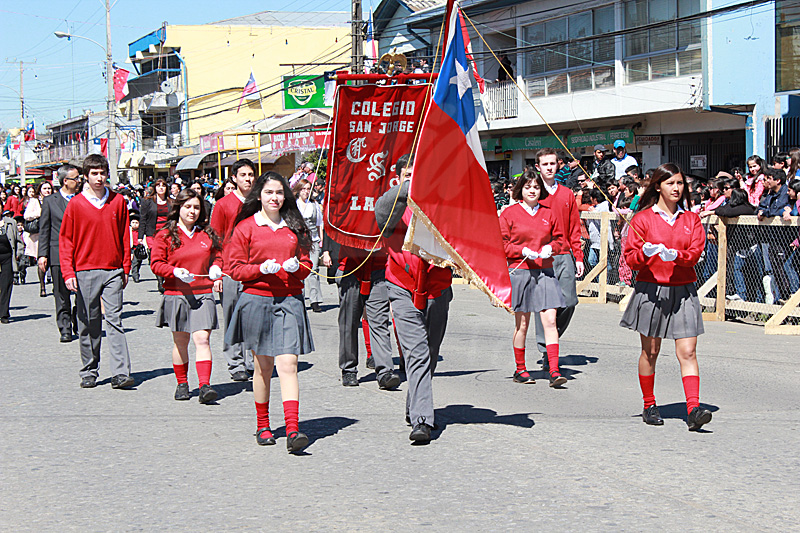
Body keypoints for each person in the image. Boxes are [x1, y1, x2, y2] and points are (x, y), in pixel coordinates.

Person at [619, 163, 712, 431]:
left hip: (683, 289)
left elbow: (695, 253)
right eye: (670, 183)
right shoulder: (642, 219)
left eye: (680, 183)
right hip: (651, 289)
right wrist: (645, 253)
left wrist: (678, 256)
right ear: (658, 186)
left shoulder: (691, 219)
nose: (676, 188)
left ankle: (693, 409)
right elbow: (631, 259)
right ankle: (649, 404)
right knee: (651, 351)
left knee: (688, 351)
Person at [226, 172, 314, 453]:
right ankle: (263, 424)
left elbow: (306, 263)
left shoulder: (295, 226)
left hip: (289, 299)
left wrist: (297, 267)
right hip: (257, 300)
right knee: (263, 367)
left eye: (279, 192)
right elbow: (234, 268)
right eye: (269, 192)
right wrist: (259, 269)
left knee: (288, 364)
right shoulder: (246, 227)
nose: (274, 198)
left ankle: (293, 429)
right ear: (259, 196)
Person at [375, 153, 453, 444]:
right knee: (417, 352)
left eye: (419, 175)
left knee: (430, 352)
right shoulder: (392, 204)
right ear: (398, 179)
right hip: (402, 285)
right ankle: (422, 419)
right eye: (408, 176)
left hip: (437, 287)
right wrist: (411, 186)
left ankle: (415, 403)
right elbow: (381, 214)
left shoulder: (444, 203)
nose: (414, 181)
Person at [60, 154, 134, 390]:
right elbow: (66, 241)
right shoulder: (76, 204)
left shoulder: (118, 201)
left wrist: (126, 267)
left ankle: (121, 372)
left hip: (113, 269)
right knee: (89, 322)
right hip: (85, 269)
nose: (99, 178)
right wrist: (68, 272)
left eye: (102, 173)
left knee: (115, 320)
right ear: (86, 176)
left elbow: (124, 236)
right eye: (94, 173)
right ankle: (89, 369)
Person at [151, 189, 223, 404]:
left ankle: (204, 385)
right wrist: (173, 271)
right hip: (177, 293)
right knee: (181, 341)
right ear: (178, 208)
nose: (192, 211)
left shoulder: (206, 234)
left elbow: (218, 256)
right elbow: (156, 263)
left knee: (203, 339)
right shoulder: (165, 234)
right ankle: (182, 383)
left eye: (197, 207)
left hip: (203, 293)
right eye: (188, 207)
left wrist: (216, 268)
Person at [499, 169, 568, 387]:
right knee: (522, 324)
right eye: (528, 187)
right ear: (520, 189)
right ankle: (520, 369)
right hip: (520, 271)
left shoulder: (549, 213)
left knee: (550, 320)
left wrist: (551, 248)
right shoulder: (509, 214)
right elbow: (502, 244)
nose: (532, 191)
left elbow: (561, 240)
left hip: (545, 270)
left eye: (536, 187)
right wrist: (521, 251)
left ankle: (554, 370)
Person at [535, 148, 584, 373]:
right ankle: (547, 349)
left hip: (564, 254)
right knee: (545, 305)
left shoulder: (567, 194)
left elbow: (574, 227)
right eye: (545, 164)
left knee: (570, 301)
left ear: (558, 165)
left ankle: (552, 335)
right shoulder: (533, 192)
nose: (549, 168)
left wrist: (578, 257)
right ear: (538, 167)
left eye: (552, 163)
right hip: (540, 256)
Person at [209, 159, 255, 382]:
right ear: (234, 178)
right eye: (243, 175)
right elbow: (215, 238)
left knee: (253, 316)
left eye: (251, 175)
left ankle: (251, 359)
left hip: (254, 267)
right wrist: (217, 268)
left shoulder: (259, 202)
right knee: (232, 316)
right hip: (229, 269)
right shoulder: (223, 205)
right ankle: (235, 361)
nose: (248, 179)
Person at [39, 164, 81, 342]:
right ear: (65, 181)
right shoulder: (51, 201)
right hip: (57, 252)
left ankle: (78, 320)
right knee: (61, 293)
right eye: (75, 178)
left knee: (82, 292)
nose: (79, 181)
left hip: (81, 253)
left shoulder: (82, 199)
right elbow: (44, 229)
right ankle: (65, 328)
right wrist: (43, 254)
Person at [292, 179, 323, 313]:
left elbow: (319, 224)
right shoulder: (294, 205)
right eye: (303, 189)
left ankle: (315, 300)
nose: (306, 191)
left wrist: (321, 241)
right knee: (300, 269)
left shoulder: (314, 205)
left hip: (313, 240)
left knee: (313, 270)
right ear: (298, 190)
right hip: (299, 241)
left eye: (308, 189)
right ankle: (300, 297)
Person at [23, 182, 51, 297]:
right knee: (41, 260)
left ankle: (55, 284)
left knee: (52, 260)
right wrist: (39, 213)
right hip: (39, 235)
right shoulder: (35, 201)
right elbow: (26, 216)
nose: (47, 190)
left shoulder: (54, 200)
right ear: (40, 190)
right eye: (45, 188)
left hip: (52, 234)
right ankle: (42, 286)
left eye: (49, 188)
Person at [0, 209, 23, 323]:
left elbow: (18, 241)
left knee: (6, 285)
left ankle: (3, 313)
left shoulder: (10, 222)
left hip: (7, 258)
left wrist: (18, 253)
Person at [129, 214, 143, 283]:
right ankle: (135, 275)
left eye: (136, 223)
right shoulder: (129, 231)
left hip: (139, 248)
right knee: (135, 262)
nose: (135, 224)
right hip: (132, 248)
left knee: (139, 262)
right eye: (133, 222)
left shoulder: (141, 231)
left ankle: (136, 272)